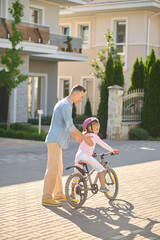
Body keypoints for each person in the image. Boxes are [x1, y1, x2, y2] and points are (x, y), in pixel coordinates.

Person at [42, 85, 93, 206]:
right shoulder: (66, 106)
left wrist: (76, 135)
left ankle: (59, 193)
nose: (81, 100)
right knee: (52, 169)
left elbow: (64, 125)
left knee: (58, 168)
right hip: (54, 141)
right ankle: (46, 196)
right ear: (75, 93)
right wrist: (84, 137)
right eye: (81, 97)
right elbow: (70, 126)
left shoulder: (64, 103)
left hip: (56, 141)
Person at [70, 117, 119, 201]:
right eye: (96, 128)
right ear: (90, 128)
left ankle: (72, 194)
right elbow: (103, 144)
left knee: (76, 176)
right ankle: (103, 187)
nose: (97, 130)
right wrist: (112, 150)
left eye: (98, 129)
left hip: (78, 156)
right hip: (85, 156)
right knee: (100, 169)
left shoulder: (84, 135)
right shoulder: (94, 136)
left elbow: (84, 146)